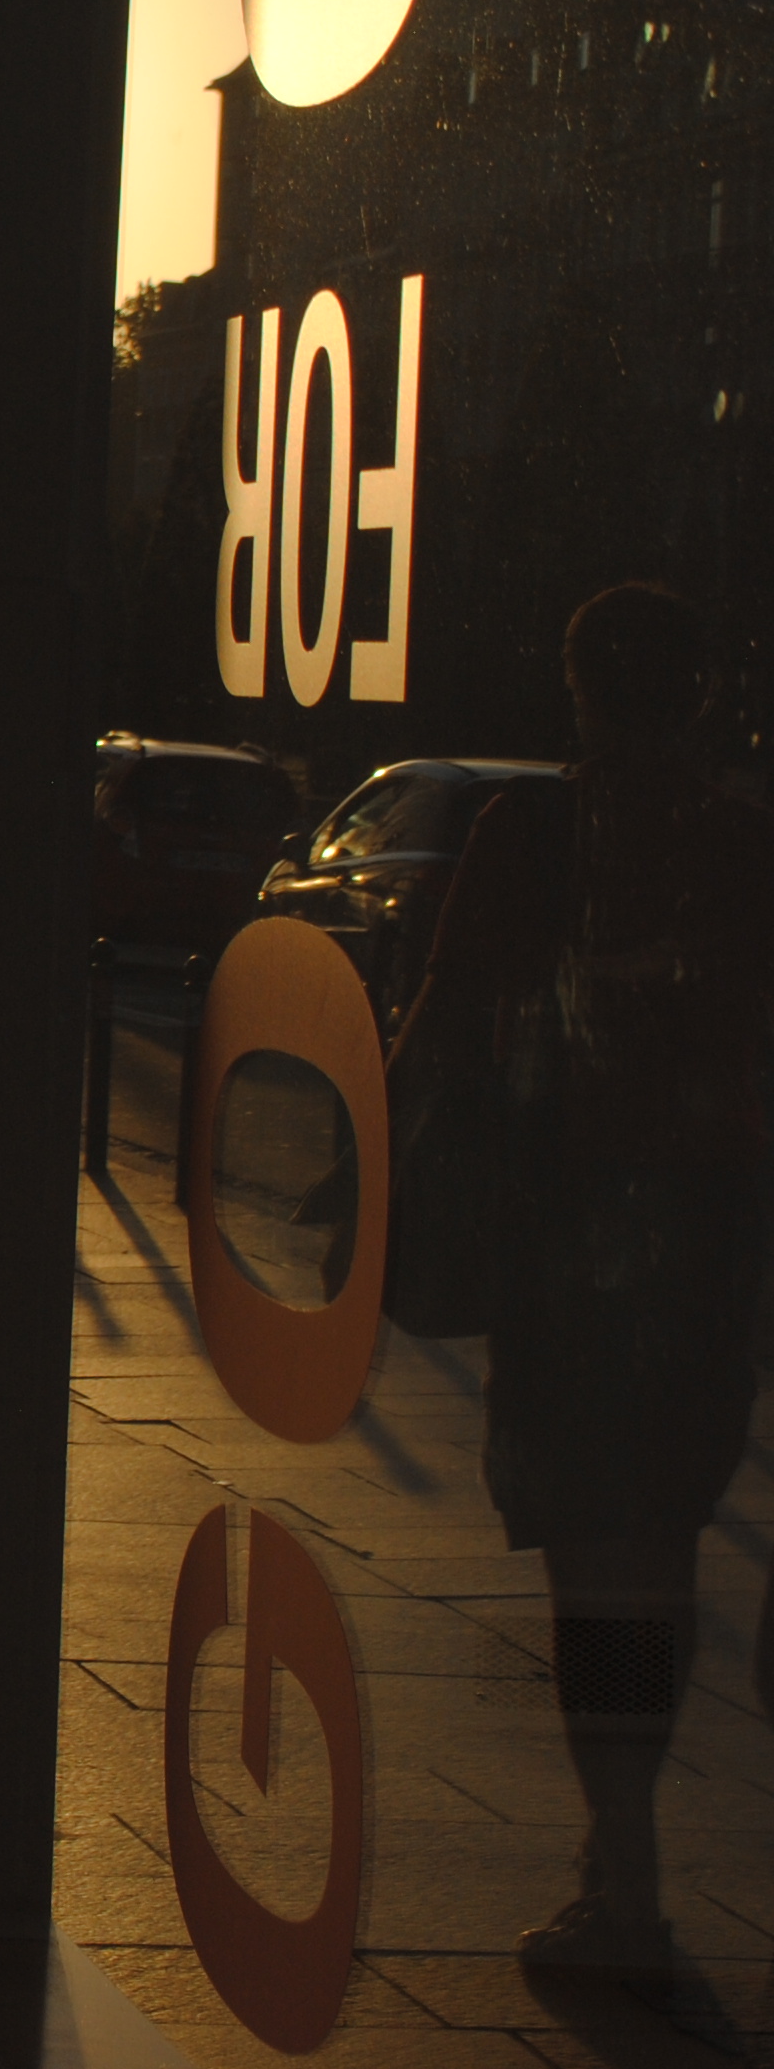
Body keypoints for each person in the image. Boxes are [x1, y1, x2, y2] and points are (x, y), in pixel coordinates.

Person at [392, 582, 774, 1986]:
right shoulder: (743, 846)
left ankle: (630, 1890)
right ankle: (620, 1860)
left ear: (582, 692)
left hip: (574, 1246)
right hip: (712, 1240)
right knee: (657, 1556)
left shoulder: (532, 833)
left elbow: (441, 1029)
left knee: (593, 1565)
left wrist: (364, 1190)